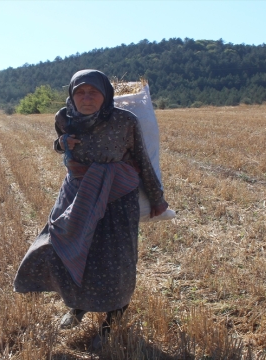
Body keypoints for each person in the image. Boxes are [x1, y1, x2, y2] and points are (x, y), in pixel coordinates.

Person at [13, 69, 168, 350]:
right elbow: (59, 144)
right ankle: (78, 306)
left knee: (116, 260)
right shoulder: (65, 118)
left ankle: (114, 316)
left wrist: (157, 198)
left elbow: (142, 159)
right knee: (65, 249)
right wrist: (61, 143)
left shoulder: (125, 121)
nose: (86, 97)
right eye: (80, 92)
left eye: (93, 92)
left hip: (117, 197)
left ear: (106, 95)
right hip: (76, 193)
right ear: (72, 95)